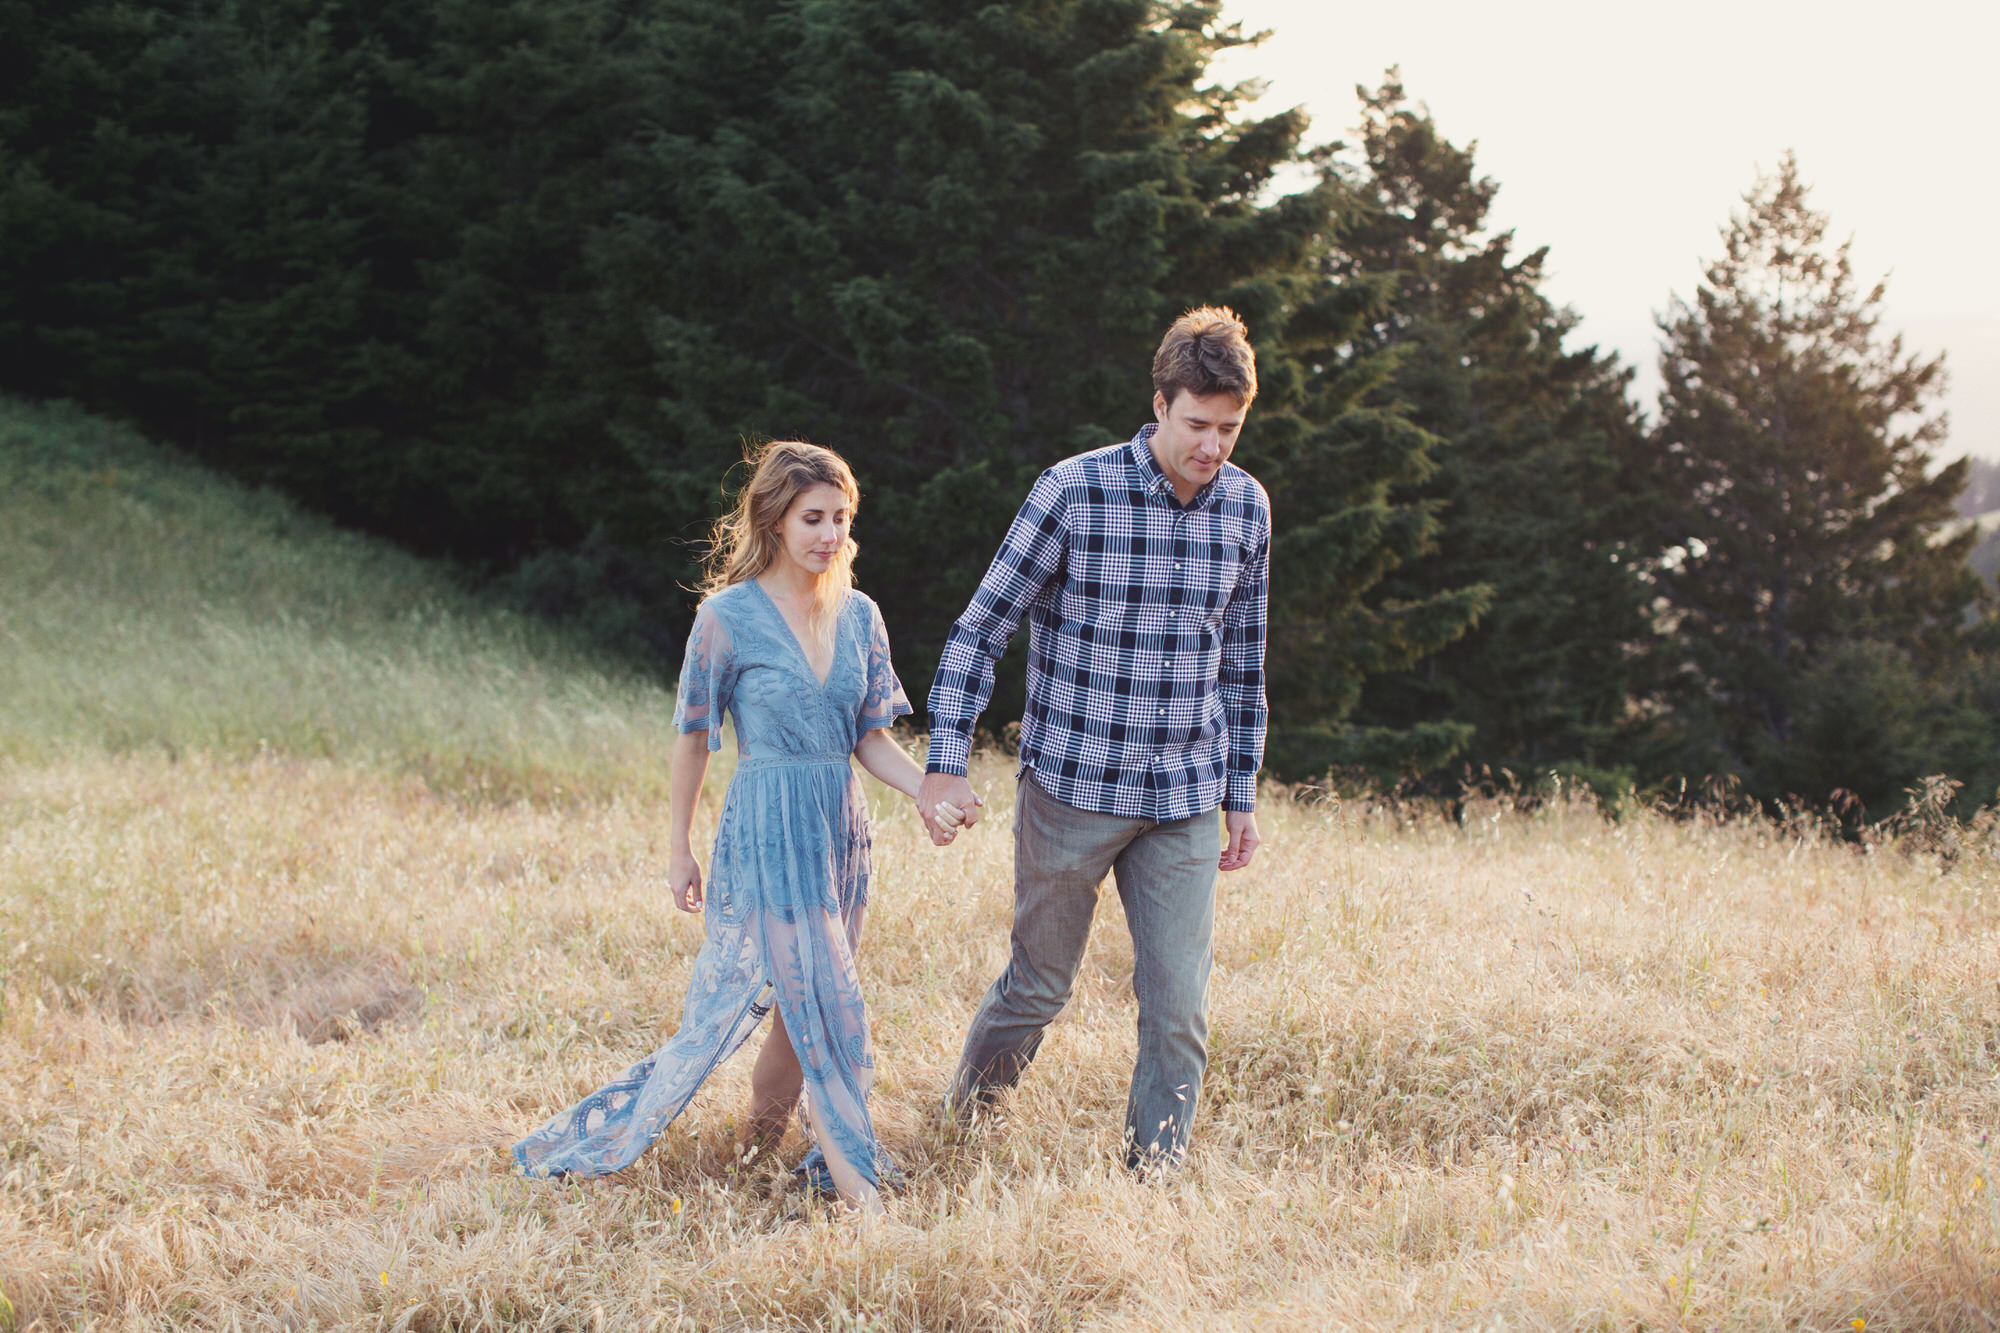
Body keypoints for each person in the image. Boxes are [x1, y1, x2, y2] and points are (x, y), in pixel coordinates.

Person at [514, 441, 954, 1213]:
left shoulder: (860, 616)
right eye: (812, 518)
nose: (829, 534)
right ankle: (864, 1196)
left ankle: (759, 1146)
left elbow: (869, 738)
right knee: (829, 1004)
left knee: (800, 1008)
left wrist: (928, 790)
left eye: (840, 518)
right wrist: (678, 846)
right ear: (774, 520)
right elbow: (692, 737)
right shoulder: (726, 617)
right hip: (767, 830)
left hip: (838, 833)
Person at [918, 306, 1271, 1174]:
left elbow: (1245, 663)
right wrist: (944, 759)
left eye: (1229, 428)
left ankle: (1153, 1175)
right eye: (1196, 425)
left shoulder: (1247, 509)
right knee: (1038, 988)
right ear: (1159, 404)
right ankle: (964, 1124)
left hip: (1183, 797)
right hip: (1070, 791)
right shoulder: (1073, 490)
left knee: (1179, 1005)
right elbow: (980, 629)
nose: (1212, 446)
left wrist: (1241, 792)